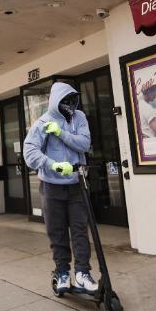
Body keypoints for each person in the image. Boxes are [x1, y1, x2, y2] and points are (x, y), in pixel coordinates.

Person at [23, 82, 97, 294]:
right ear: (57, 101)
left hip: (77, 184)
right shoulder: (43, 122)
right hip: (51, 186)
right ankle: (62, 272)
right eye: (65, 101)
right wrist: (52, 164)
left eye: (73, 100)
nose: (70, 105)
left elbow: (84, 144)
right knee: (57, 233)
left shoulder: (79, 117)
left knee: (80, 230)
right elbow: (29, 152)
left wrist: (61, 134)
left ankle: (82, 273)